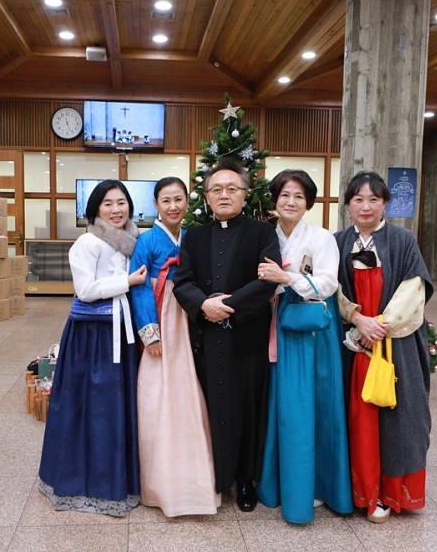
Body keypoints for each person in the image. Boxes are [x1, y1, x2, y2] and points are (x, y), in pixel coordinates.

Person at [173, 158, 281, 512]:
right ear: (206, 197)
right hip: (206, 338)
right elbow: (182, 282)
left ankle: (245, 481)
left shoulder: (263, 234)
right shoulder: (194, 236)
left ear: (244, 194)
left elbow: (266, 280)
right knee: (210, 407)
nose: (224, 195)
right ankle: (215, 477)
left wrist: (228, 305)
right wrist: (203, 305)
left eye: (232, 188)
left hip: (245, 338)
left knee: (248, 408)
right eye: (216, 189)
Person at [39, 179, 148, 516]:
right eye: (108, 204)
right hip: (93, 337)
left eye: (121, 203)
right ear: (95, 209)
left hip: (122, 331)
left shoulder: (132, 241)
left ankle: (120, 478)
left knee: (118, 405)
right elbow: (85, 290)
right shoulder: (87, 242)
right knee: (91, 407)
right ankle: (86, 481)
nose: (116, 210)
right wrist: (126, 281)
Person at [334, 171, 433, 524]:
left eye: (373, 199)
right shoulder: (337, 242)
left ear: (385, 204)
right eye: (358, 199)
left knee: (398, 418)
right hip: (352, 343)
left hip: (395, 345)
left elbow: (413, 289)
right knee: (356, 418)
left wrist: (379, 326)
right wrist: (358, 319)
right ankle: (357, 489)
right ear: (348, 205)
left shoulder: (403, 240)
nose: (366, 206)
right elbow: (331, 288)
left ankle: (390, 493)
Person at [255, 170, 353, 523]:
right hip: (274, 323)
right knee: (280, 404)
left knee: (312, 404)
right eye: (284, 195)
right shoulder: (266, 236)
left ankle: (313, 486)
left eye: (298, 196)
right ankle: (280, 483)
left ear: (309, 202)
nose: (291, 202)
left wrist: (287, 278)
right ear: (274, 200)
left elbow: (327, 283)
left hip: (310, 328)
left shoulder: (321, 237)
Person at [129, 177, 219, 517]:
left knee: (189, 387)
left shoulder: (191, 236)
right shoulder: (146, 240)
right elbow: (139, 288)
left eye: (178, 199)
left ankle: (195, 475)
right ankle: (159, 481)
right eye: (165, 200)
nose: (173, 206)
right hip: (162, 315)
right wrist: (150, 333)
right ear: (156, 205)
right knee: (158, 390)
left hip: (190, 311)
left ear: (187, 201)